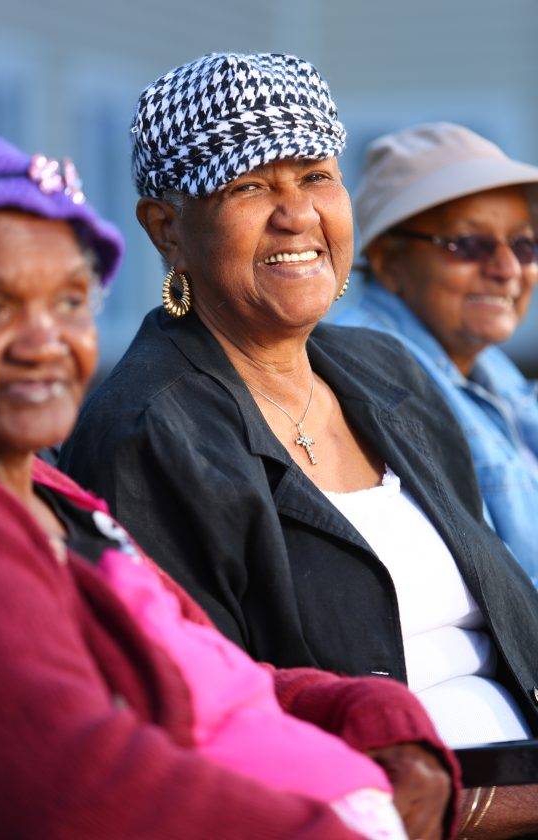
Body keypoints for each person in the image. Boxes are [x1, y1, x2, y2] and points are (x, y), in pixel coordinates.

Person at [60, 54, 538, 837]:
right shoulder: (150, 432)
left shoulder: (384, 371)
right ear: (167, 229)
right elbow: (219, 733)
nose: (296, 216)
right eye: (249, 186)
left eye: (315, 175)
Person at [0, 130, 461, 840]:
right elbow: (78, 784)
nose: (44, 341)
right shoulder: (144, 431)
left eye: (72, 301)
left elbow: (199, 670)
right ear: (168, 230)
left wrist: (368, 714)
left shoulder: (50, 496)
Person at [337, 122, 538, 587]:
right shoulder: (372, 376)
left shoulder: (483, 364)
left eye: (524, 245)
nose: (508, 270)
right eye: (468, 245)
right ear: (387, 261)